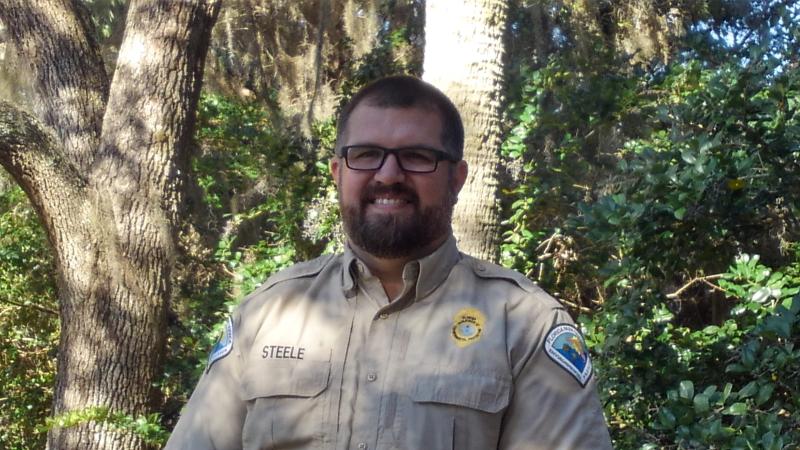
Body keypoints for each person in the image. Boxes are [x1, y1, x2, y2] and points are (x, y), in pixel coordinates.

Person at [165, 75, 613, 450]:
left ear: (456, 179)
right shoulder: (266, 314)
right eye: (366, 154)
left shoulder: (524, 325)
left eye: (417, 157)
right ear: (338, 172)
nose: (388, 175)